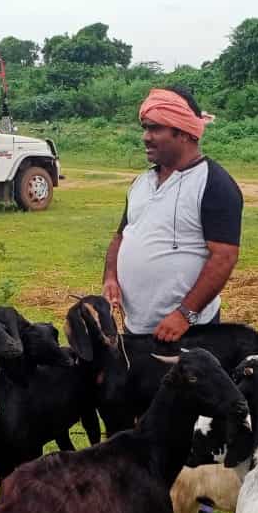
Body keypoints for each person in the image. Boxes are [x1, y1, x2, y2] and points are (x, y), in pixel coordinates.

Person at [102, 86, 243, 343]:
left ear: (184, 132)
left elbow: (224, 257)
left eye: (155, 128)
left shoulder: (214, 184)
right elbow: (121, 236)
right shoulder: (141, 183)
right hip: (135, 327)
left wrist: (184, 314)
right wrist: (110, 277)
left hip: (188, 332)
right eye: (145, 128)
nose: (146, 137)